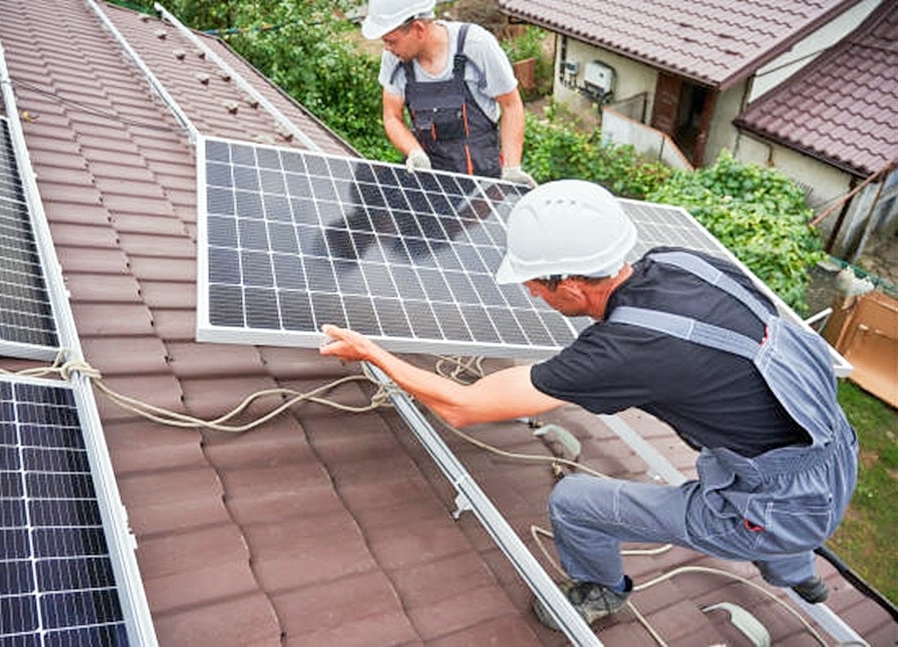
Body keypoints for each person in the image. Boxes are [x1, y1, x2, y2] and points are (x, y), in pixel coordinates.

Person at [319, 179, 858, 629]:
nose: (531, 295)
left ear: (572, 285)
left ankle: (604, 590)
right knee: (747, 480)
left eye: (535, 284)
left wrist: (373, 352)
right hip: (830, 451)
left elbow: (462, 406)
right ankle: (798, 571)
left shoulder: (626, 351)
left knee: (574, 502)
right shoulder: (683, 264)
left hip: (776, 505)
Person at [361, 0, 536, 187]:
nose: (386, 48)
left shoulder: (475, 45)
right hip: (429, 174)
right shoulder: (394, 58)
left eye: (391, 41)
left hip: (479, 179)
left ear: (418, 29)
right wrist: (414, 152)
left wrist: (511, 168)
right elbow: (392, 116)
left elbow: (511, 105)